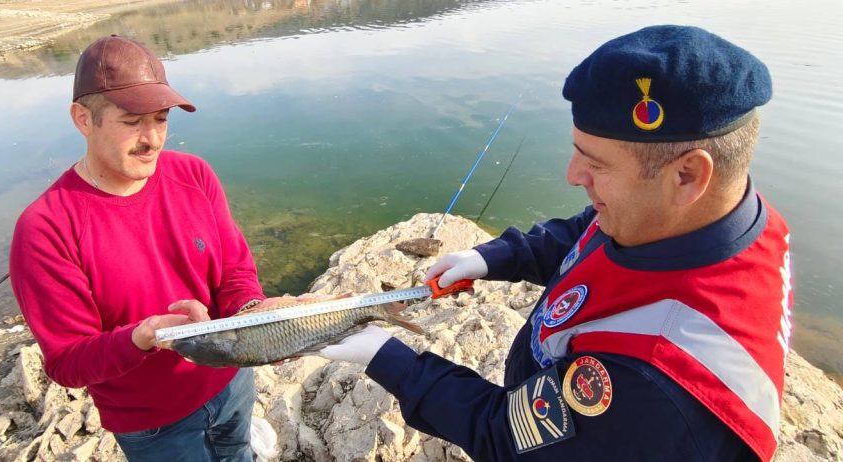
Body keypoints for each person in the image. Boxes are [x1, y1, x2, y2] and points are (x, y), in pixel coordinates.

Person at [320, 25, 792, 461]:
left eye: (596, 164)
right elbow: (587, 232)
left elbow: (506, 434)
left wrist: (384, 355)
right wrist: (490, 258)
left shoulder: (660, 380)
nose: (572, 176)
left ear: (687, 175)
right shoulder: (703, 216)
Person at [9, 35, 290, 461]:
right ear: (83, 119)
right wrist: (140, 338)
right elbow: (66, 362)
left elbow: (234, 269)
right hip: (155, 425)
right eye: (131, 121)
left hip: (232, 383)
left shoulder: (194, 174)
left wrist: (251, 312)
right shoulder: (45, 229)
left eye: (160, 118)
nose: (152, 139)